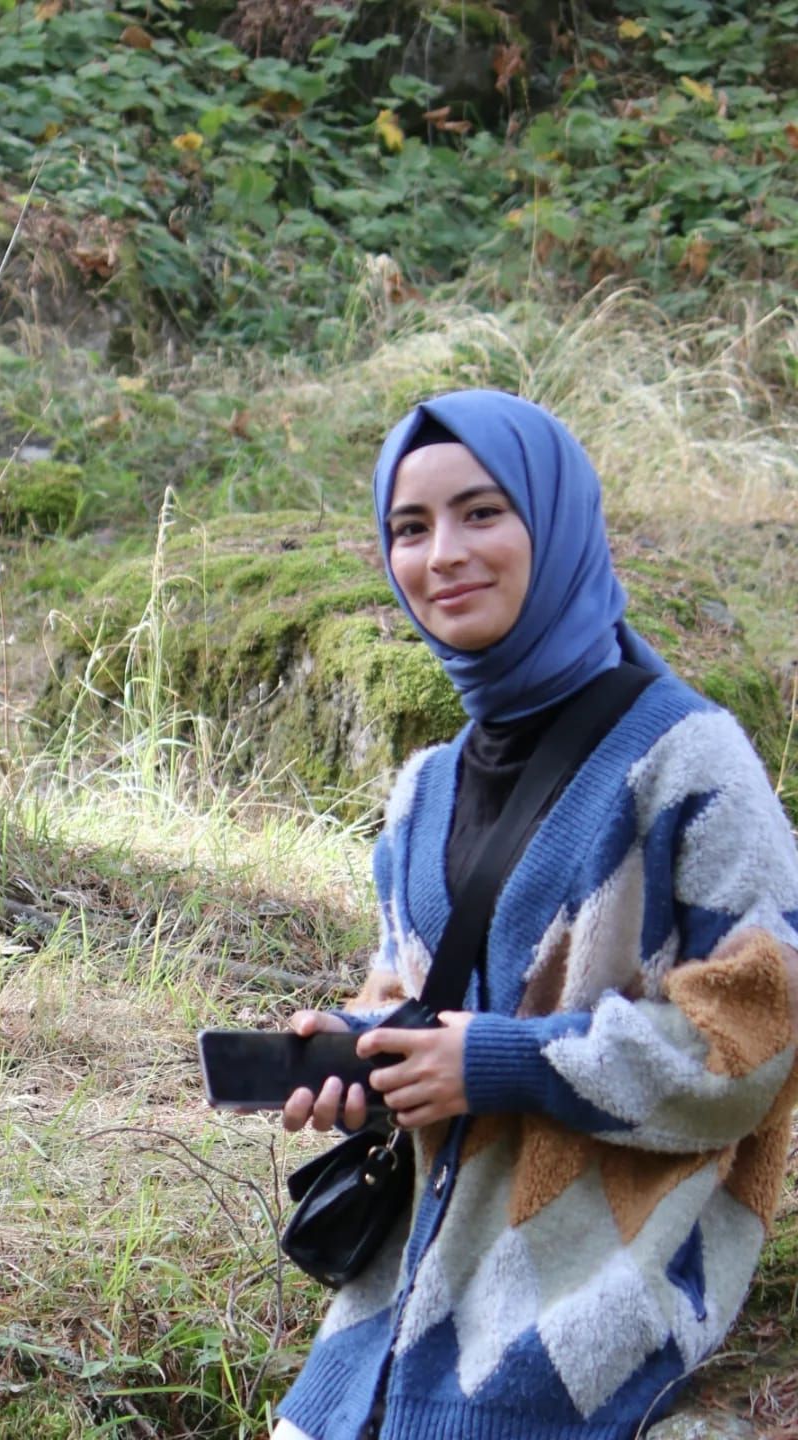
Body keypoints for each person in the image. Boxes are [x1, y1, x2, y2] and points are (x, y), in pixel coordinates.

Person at [270, 390, 798, 1440]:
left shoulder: (687, 760)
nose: (443, 555)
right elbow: (418, 998)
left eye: (482, 514)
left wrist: (506, 1061)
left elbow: (760, 1037)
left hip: (587, 1299)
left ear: (553, 525)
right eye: (409, 529)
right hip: (389, 1310)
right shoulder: (422, 789)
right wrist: (363, 1061)